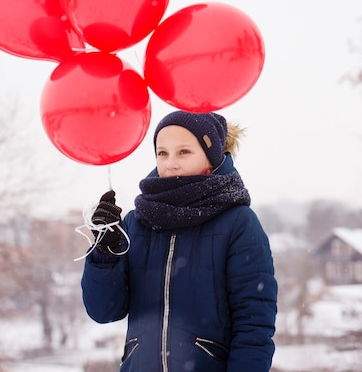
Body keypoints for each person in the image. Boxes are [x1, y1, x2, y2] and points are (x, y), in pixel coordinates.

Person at [81, 111, 277, 372]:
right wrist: (105, 252)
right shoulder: (136, 222)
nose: (170, 163)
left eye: (183, 152)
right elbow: (103, 311)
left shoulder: (238, 223)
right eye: (162, 153)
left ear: (211, 155)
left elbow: (254, 325)